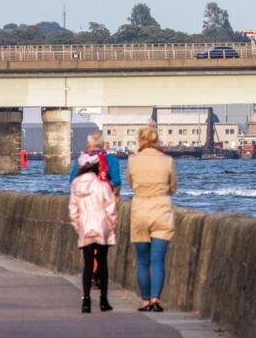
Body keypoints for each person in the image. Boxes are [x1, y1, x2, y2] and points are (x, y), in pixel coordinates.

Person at [127, 125, 177, 312]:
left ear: (140, 140)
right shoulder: (167, 160)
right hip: (161, 211)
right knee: (157, 260)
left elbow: (131, 184)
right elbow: (173, 186)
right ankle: (156, 299)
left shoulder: (133, 161)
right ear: (157, 140)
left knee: (142, 260)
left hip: (140, 210)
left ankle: (145, 300)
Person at [68, 153, 117, 314]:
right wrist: (112, 226)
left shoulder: (75, 185)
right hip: (101, 225)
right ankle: (103, 300)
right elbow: (111, 209)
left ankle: (86, 302)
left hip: (85, 225)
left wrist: (78, 226)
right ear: (97, 167)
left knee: (88, 264)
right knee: (102, 263)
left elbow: (73, 210)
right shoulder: (102, 186)